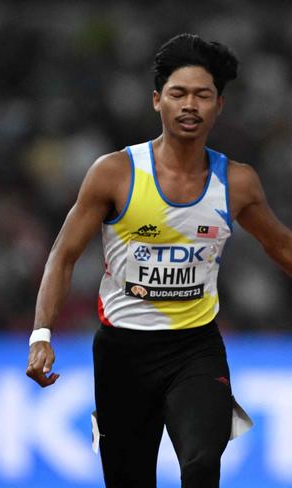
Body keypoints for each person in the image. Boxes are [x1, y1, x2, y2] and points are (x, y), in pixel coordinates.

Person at [25, 33, 291, 488]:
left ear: (218, 106)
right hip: (123, 354)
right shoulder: (115, 174)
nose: (190, 105)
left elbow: (282, 247)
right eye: (178, 94)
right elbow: (63, 256)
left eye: (203, 95)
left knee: (203, 462)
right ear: (156, 101)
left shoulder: (238, 184)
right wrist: (42, 333)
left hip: (196, 349)